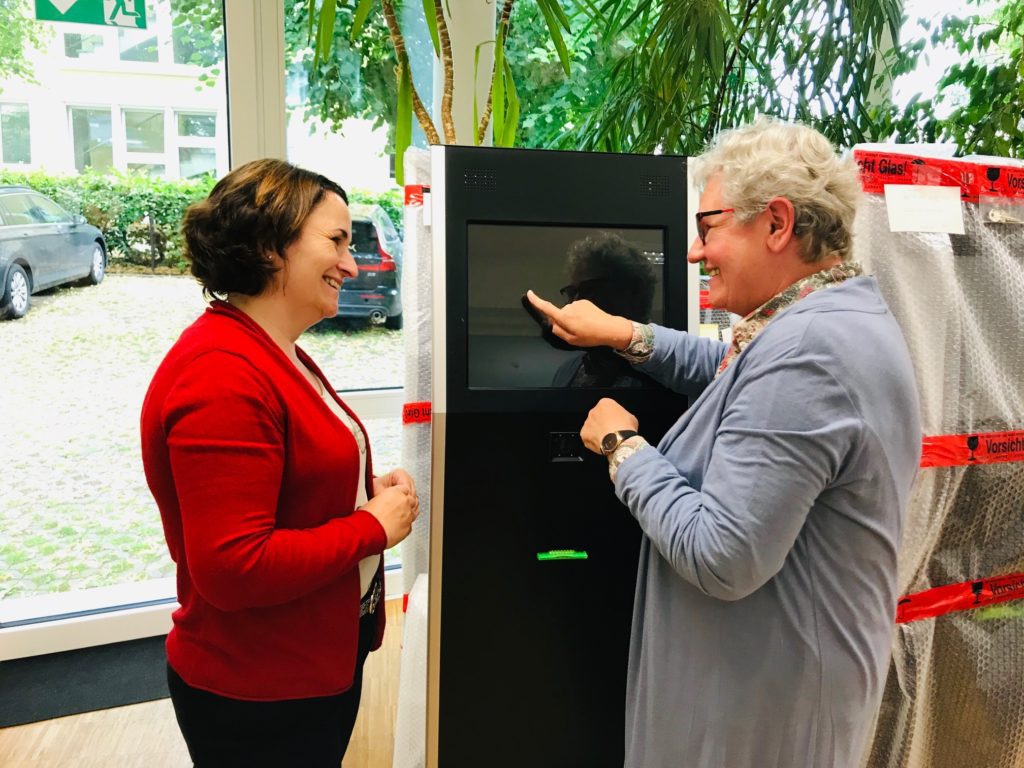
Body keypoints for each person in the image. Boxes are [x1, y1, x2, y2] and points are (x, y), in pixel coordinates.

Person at [526, 118, 921, 768]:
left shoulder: (808, 353)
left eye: (708, 227)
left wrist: (623, 446)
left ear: (777, 223)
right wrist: (625, 333)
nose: (693, 251)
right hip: (777, 689)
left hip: (765, 719)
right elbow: (736, 373)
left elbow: (721, 556)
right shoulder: (831, 321)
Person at [140, 158, 419, 767]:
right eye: (336, 241)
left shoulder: (270, 349)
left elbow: (282, 481)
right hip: (258, 690)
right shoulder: (221, 375)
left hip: (303, 664)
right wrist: (371, 526)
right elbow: (233, 567)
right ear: (271, 246)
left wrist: (359, 491)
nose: (351, 263)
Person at [547, 232, 657, 388]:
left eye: (589, 290)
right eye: (572, 293)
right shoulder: (567, 371)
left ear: (631, 293)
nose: (575, 303)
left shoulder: (664, 371)